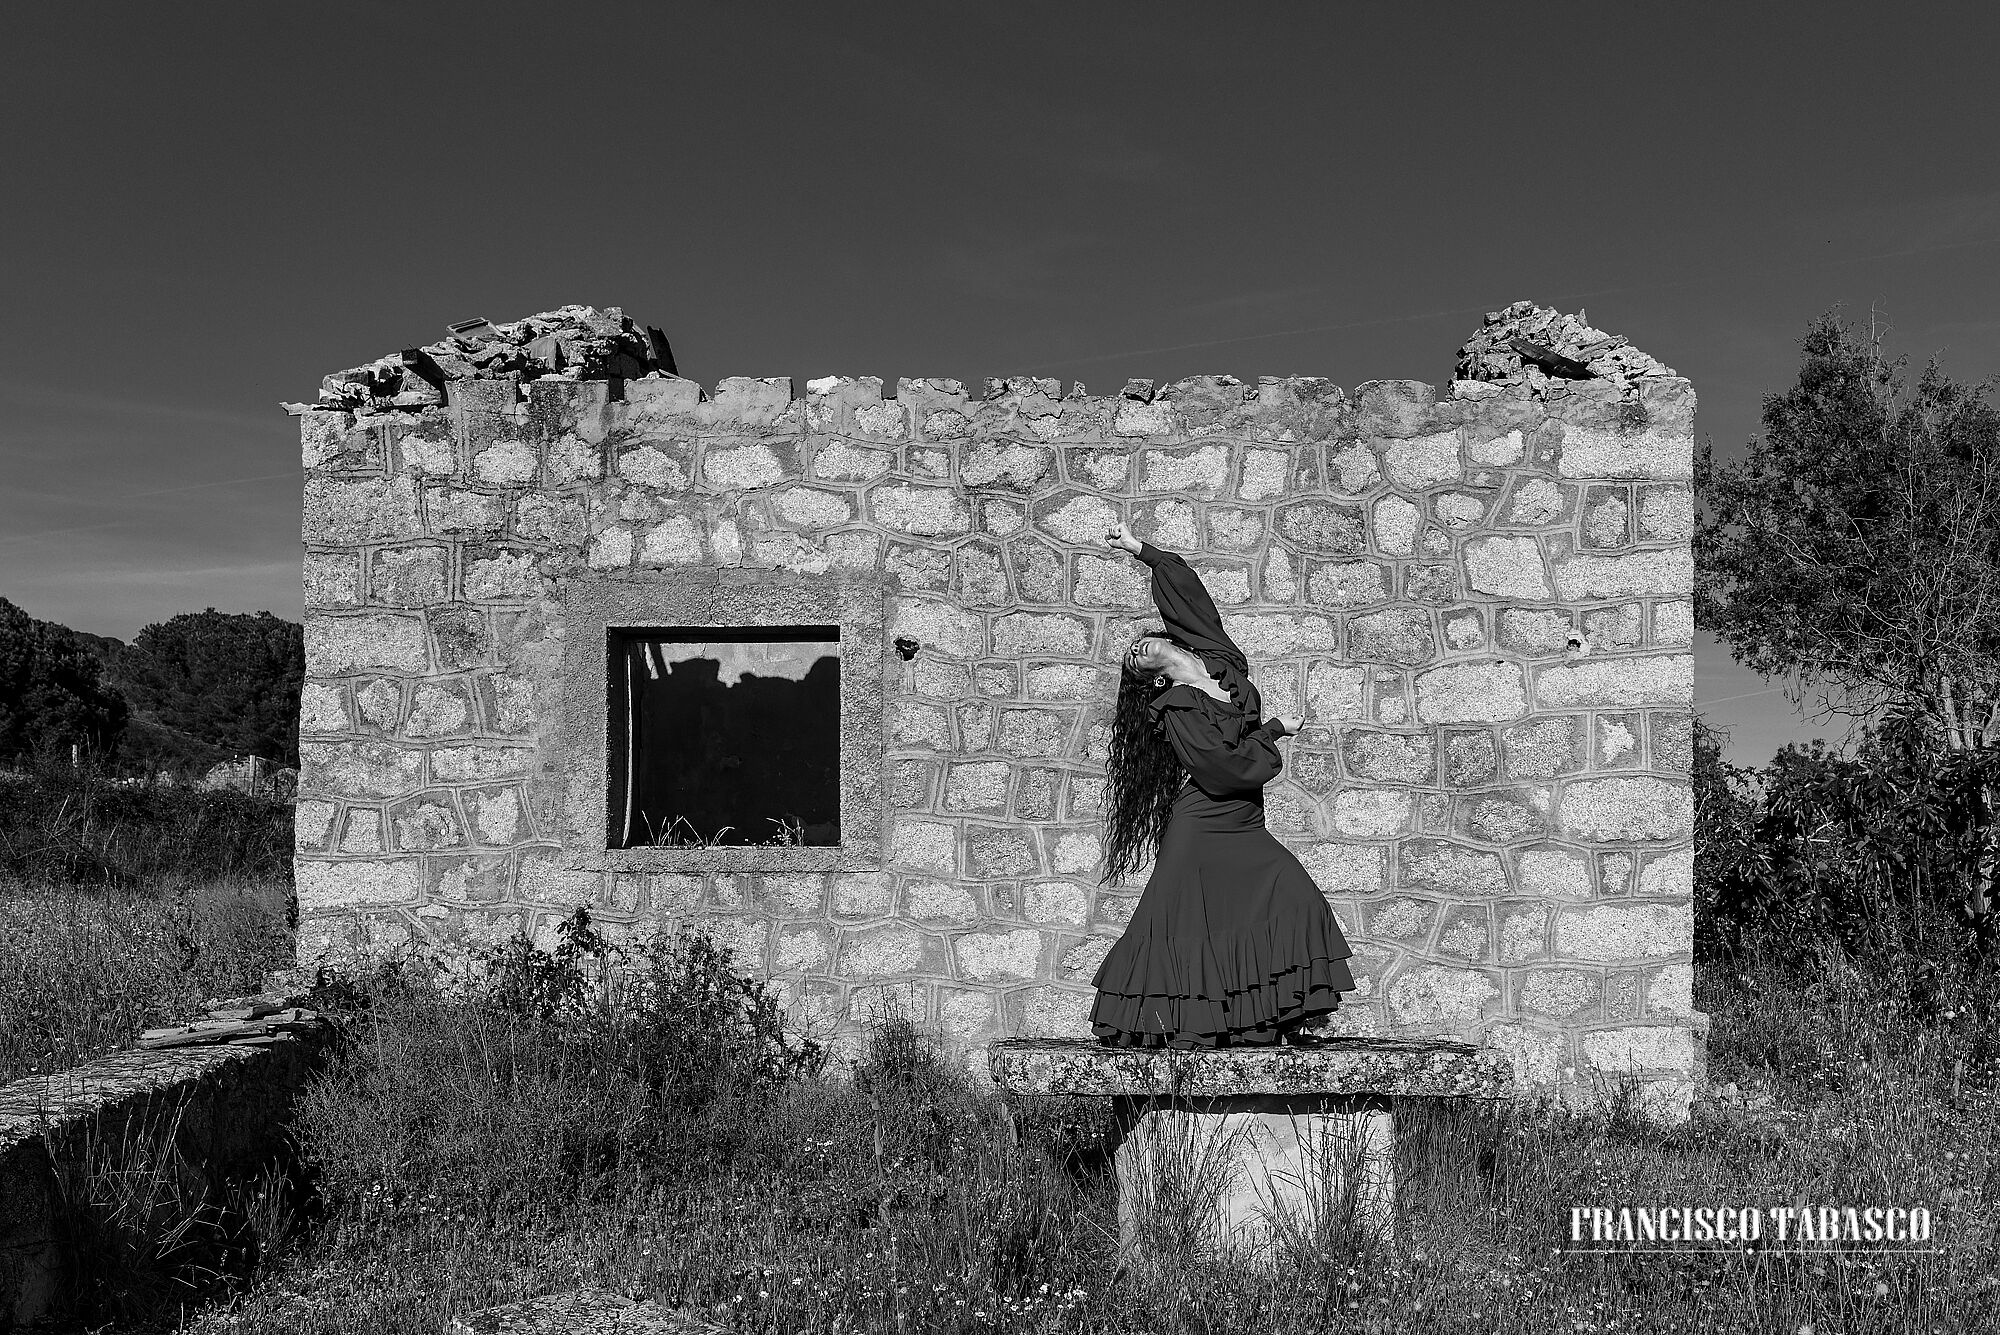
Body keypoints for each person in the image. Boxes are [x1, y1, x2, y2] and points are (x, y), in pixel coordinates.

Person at [1089, 521, 1355, 1048]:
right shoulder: (1177, 708)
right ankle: (1157, 1021)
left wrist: (1141, 549)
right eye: (1133, 660)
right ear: (1154, 679)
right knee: (1179, 924)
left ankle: (1284, 1013)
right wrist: (1273, 730)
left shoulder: (1221, 663)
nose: (1135, 650)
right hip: (1204, 823)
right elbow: (1224, 768)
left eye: (1137, 646)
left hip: (1242, 818)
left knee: (1292, 898)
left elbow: (1192, 598)